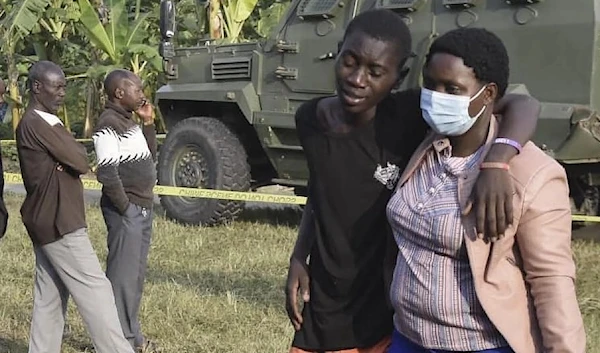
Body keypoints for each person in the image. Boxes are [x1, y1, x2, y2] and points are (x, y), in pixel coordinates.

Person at [286, 9, 541, 353]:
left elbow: (523, 105)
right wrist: (299, 256)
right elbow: (319, 192)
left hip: (384, 308)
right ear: (338, 50)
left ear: (399, 75)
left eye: (376, 72)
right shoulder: (310, 120)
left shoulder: (409, 117)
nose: (358, 79)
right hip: (324, 301)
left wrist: (497, 163)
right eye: (349, 62)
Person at [386, 27, 585, 353]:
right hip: (407, 338)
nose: (438, 97)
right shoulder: (426, 140)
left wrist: (496, 162)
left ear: (489, 94)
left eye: (453, 88)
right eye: (431, 84)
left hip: (479, 345)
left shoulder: (533, 175)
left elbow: (551, 280)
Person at [15, 61, 134, 353]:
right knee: (97, 290)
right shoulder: (35, 122)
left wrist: (65, 159)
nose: (62, 93)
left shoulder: (47, 122)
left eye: (64, 87)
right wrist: (66, 159)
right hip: (58, 221)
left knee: (50, 297)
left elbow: (75, 156)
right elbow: (82, 161)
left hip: (48, 219)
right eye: (56, 87)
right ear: (37, 88)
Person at [92, 69, 158, 352]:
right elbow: (106, 173)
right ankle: (118, 342)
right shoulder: (108, 124)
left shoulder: (128, 122)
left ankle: (133, 335)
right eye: (136, 89)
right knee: (121, 280)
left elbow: (149, 157)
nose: (141, 94)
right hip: (128, 212)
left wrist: (148, 124)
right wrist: (127, 209)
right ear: (119, 93)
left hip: (142, 208)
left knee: (134, 277)